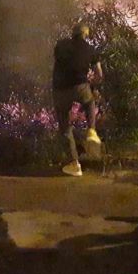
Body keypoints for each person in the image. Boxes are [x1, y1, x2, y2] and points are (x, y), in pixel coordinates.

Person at [53, 23, 103, 177]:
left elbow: (60, 63)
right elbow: (99, 74)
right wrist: (93, 87)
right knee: (89, 101)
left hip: (60, 89)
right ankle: (92, 131)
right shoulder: (90, 49)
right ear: (85, 35)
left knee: (65, 125)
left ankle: (74, 164)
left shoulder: (61, 45)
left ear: (72, 33)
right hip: (80, 86)